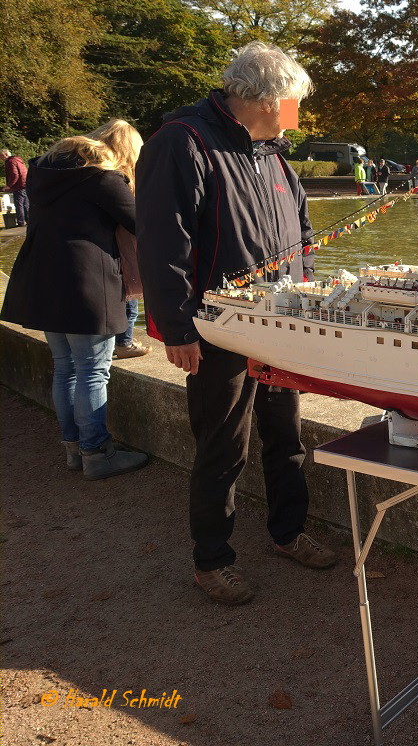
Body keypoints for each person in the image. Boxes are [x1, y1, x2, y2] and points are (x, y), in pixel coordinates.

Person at [136, 41, 337, 606]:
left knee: (285, 433)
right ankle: (212, 560)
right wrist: (176, 330)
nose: (297, 112)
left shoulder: (272, 151)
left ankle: (288, 530)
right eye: (294, 101)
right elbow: (162, 242)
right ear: (268, 98)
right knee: (223, 443)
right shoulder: (183, 140)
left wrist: (308, 293)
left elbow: (301, 232)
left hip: (281, 323)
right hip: (218, 326)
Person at [0, 121, 151, 480]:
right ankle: (97, 453)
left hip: (43, 280)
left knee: (66, 367)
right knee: (93, 371)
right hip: (86, 284)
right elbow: (141, 224)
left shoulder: (43, 172)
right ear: (126, 153)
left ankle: (74, 448)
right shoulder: (102, 180)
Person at [2, 148, 29, 226]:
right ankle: (29, 220)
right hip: (25, 184)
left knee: (19, 204)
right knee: (26, 204)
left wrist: (9, 185)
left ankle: (20, 222)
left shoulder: (10, 162)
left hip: (19, 186)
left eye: (1, 156)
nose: (1, 158)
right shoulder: (18, 160)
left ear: (6, 155)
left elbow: (15, 174)